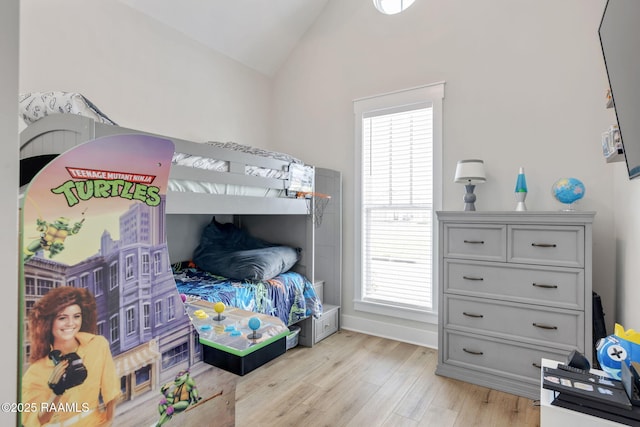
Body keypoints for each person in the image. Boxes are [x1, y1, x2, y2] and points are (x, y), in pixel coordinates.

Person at [22, 286, 120, 426]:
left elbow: (111, 389)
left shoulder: (98, 345)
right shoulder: (35, 372)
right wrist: (57, 391)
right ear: (49, 323)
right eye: (62, 318)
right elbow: (37, 420)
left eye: (76, 316)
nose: (71, 323)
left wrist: (109, 420)